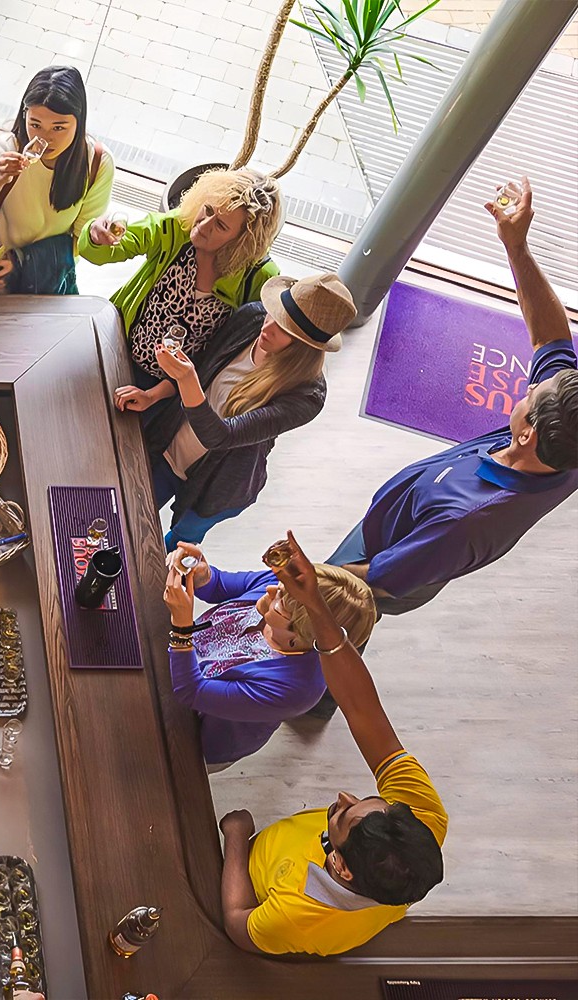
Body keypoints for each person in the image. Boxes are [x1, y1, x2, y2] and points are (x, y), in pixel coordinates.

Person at [330, 177, 578, 615]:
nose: (532, 382)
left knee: (334, 623)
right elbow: (551, 338)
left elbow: (381, 579)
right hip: (395, 529)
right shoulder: (564, 437)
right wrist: (516, 247)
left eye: (532, 393)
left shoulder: (465, 522)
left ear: (527, 436)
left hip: (374, 569)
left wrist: (295, 577)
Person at [220, 532, 446, 957]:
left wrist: (236, 838)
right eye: (371, 799)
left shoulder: (300, 916)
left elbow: (237, 924)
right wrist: (318, 610)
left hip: (250, 864)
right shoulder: (423, 817)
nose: (344, 795)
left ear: (338, 866)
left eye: (344, 815)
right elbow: (363, 711)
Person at [121, 273, 352, 548]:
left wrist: (186, 380)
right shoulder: (252, 319)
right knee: (126, 519)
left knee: (180, 545)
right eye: (273, 314)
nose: (268, 328)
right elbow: (203, 366)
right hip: (170, 447)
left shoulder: (307, 395)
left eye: (285, 329)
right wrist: (152, 394)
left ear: (306, 346)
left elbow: (221, 436)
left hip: (218, 485)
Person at [162, 541, 375, 771]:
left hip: (194, 737)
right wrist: (203, 574)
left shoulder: (296, 690)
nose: (271, 590)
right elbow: (220, 585)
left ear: (301, 635)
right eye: (283, 587)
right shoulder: (279, 588)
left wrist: (182, 627)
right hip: (169, 668)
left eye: (282, 602)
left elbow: (191, 691)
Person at [81, 168, 282, 389]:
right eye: (207, 209)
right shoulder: (177, 227)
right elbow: (107, 250)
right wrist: (95, 236)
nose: (203, 225)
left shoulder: (260, 277)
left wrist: (165, 391)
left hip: (178, 391)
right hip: (119, 350)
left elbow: (242, 349)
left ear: (242, 239)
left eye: (221, 225)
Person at [0, 66, 112, 296]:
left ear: (79, 123)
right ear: (24, 114)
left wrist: (22, 263)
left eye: (59, 127)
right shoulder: (11, 147)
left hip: (49, 282)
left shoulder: (96, 162)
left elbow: (81, 240)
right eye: (35, 124)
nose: (44, 138)